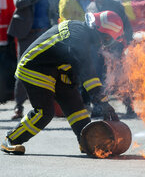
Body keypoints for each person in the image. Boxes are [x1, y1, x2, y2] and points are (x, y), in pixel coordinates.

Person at [1, 10, 122, 155]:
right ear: (96, 29)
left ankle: (86, 142)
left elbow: (78, 64)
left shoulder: (82, 35)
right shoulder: (77, 35)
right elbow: (86, 69)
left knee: (77, 109)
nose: (103, 43)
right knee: (44, 112)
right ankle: (11, 139)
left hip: (56, 71)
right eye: (105, 38)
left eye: (108, 41)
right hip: (35, 67)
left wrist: (99, 99)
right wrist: (101, 100)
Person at [7, 0, 58, 120]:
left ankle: (45, 105)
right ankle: (19, 107)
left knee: (45, 69)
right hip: (26, 34)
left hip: (43, 33)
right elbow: (19, 3)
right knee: (22, 69)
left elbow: (53, 11)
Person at [87, 0, 136, 118]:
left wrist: (128, 43)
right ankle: (98, 107)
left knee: (122, 76)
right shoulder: (90, 7)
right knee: (98, 78)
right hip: (97, 50)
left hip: (116, 47)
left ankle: (129, 105)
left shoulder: (116, 6)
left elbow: (126, 26)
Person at [58, 0, 92, 109]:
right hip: (73, 43)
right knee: (73, 74)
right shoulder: (67, 1)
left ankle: (86, 102)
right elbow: (65, 22)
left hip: (88, 42)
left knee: (87, 73)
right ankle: (74, 104)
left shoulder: (91, 0)